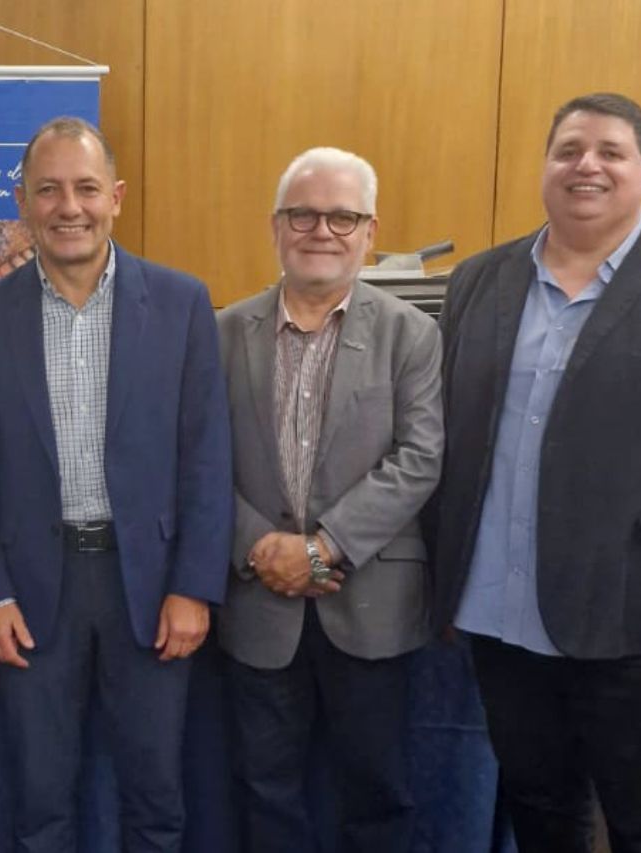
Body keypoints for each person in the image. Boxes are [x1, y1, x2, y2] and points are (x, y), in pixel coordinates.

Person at [0, 116, 233, 853]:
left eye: (86, 188)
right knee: (40, 800)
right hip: (28, 592)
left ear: (115, 196)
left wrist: (194, 586)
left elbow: (207, 457)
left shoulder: (182, 304)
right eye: (48, 190)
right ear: (22, 201)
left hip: (148, 589)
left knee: (155, 796)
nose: (69, 207)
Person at [430, 92, 641, 852]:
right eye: (568, 149)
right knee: (541, 811)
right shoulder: (478, 282)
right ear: (545, 165)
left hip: (634, 619)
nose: (586, 165)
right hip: (499, 615)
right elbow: (446, 439)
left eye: (609, 151)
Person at [216, 147, 443, 853]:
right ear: (276, 226)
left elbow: (420, 457)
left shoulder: (412, 334)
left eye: (342, 215)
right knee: (265, 792)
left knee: (377, 795)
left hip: (371, 605)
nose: (322, 229)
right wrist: (261, 546)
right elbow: (196, 462)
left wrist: (320, 547)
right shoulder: (224, 331)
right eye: (303, 214)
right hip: (258, 605)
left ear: (370, 232)